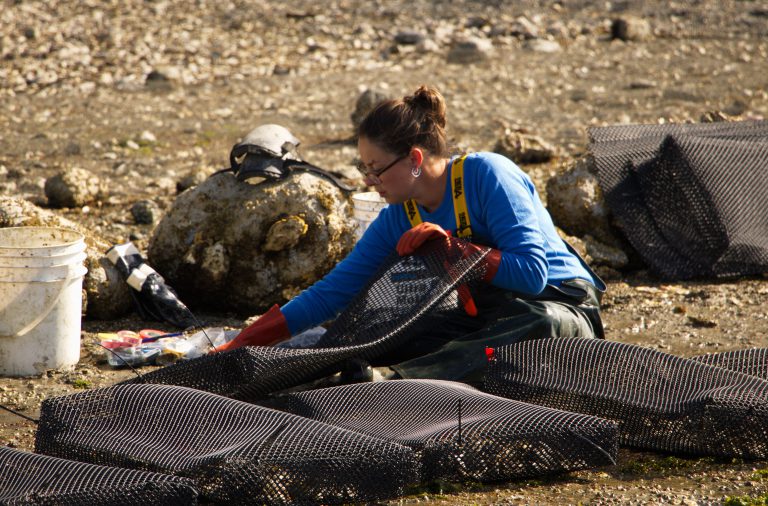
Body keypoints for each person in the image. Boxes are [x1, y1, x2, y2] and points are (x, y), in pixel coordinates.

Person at [215, 85, 605, 384]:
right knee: (391, 334)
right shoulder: (398, 217)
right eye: (365, 169)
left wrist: (457, 251)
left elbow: (533, 274)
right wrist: (241, 343)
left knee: (540, 323)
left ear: (415, 159)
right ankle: (392, 375)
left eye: (376, 169)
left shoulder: (489, 175)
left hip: (562, 305)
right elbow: (331, 294)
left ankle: (396, 384)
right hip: (485, 317)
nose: (369, 181)